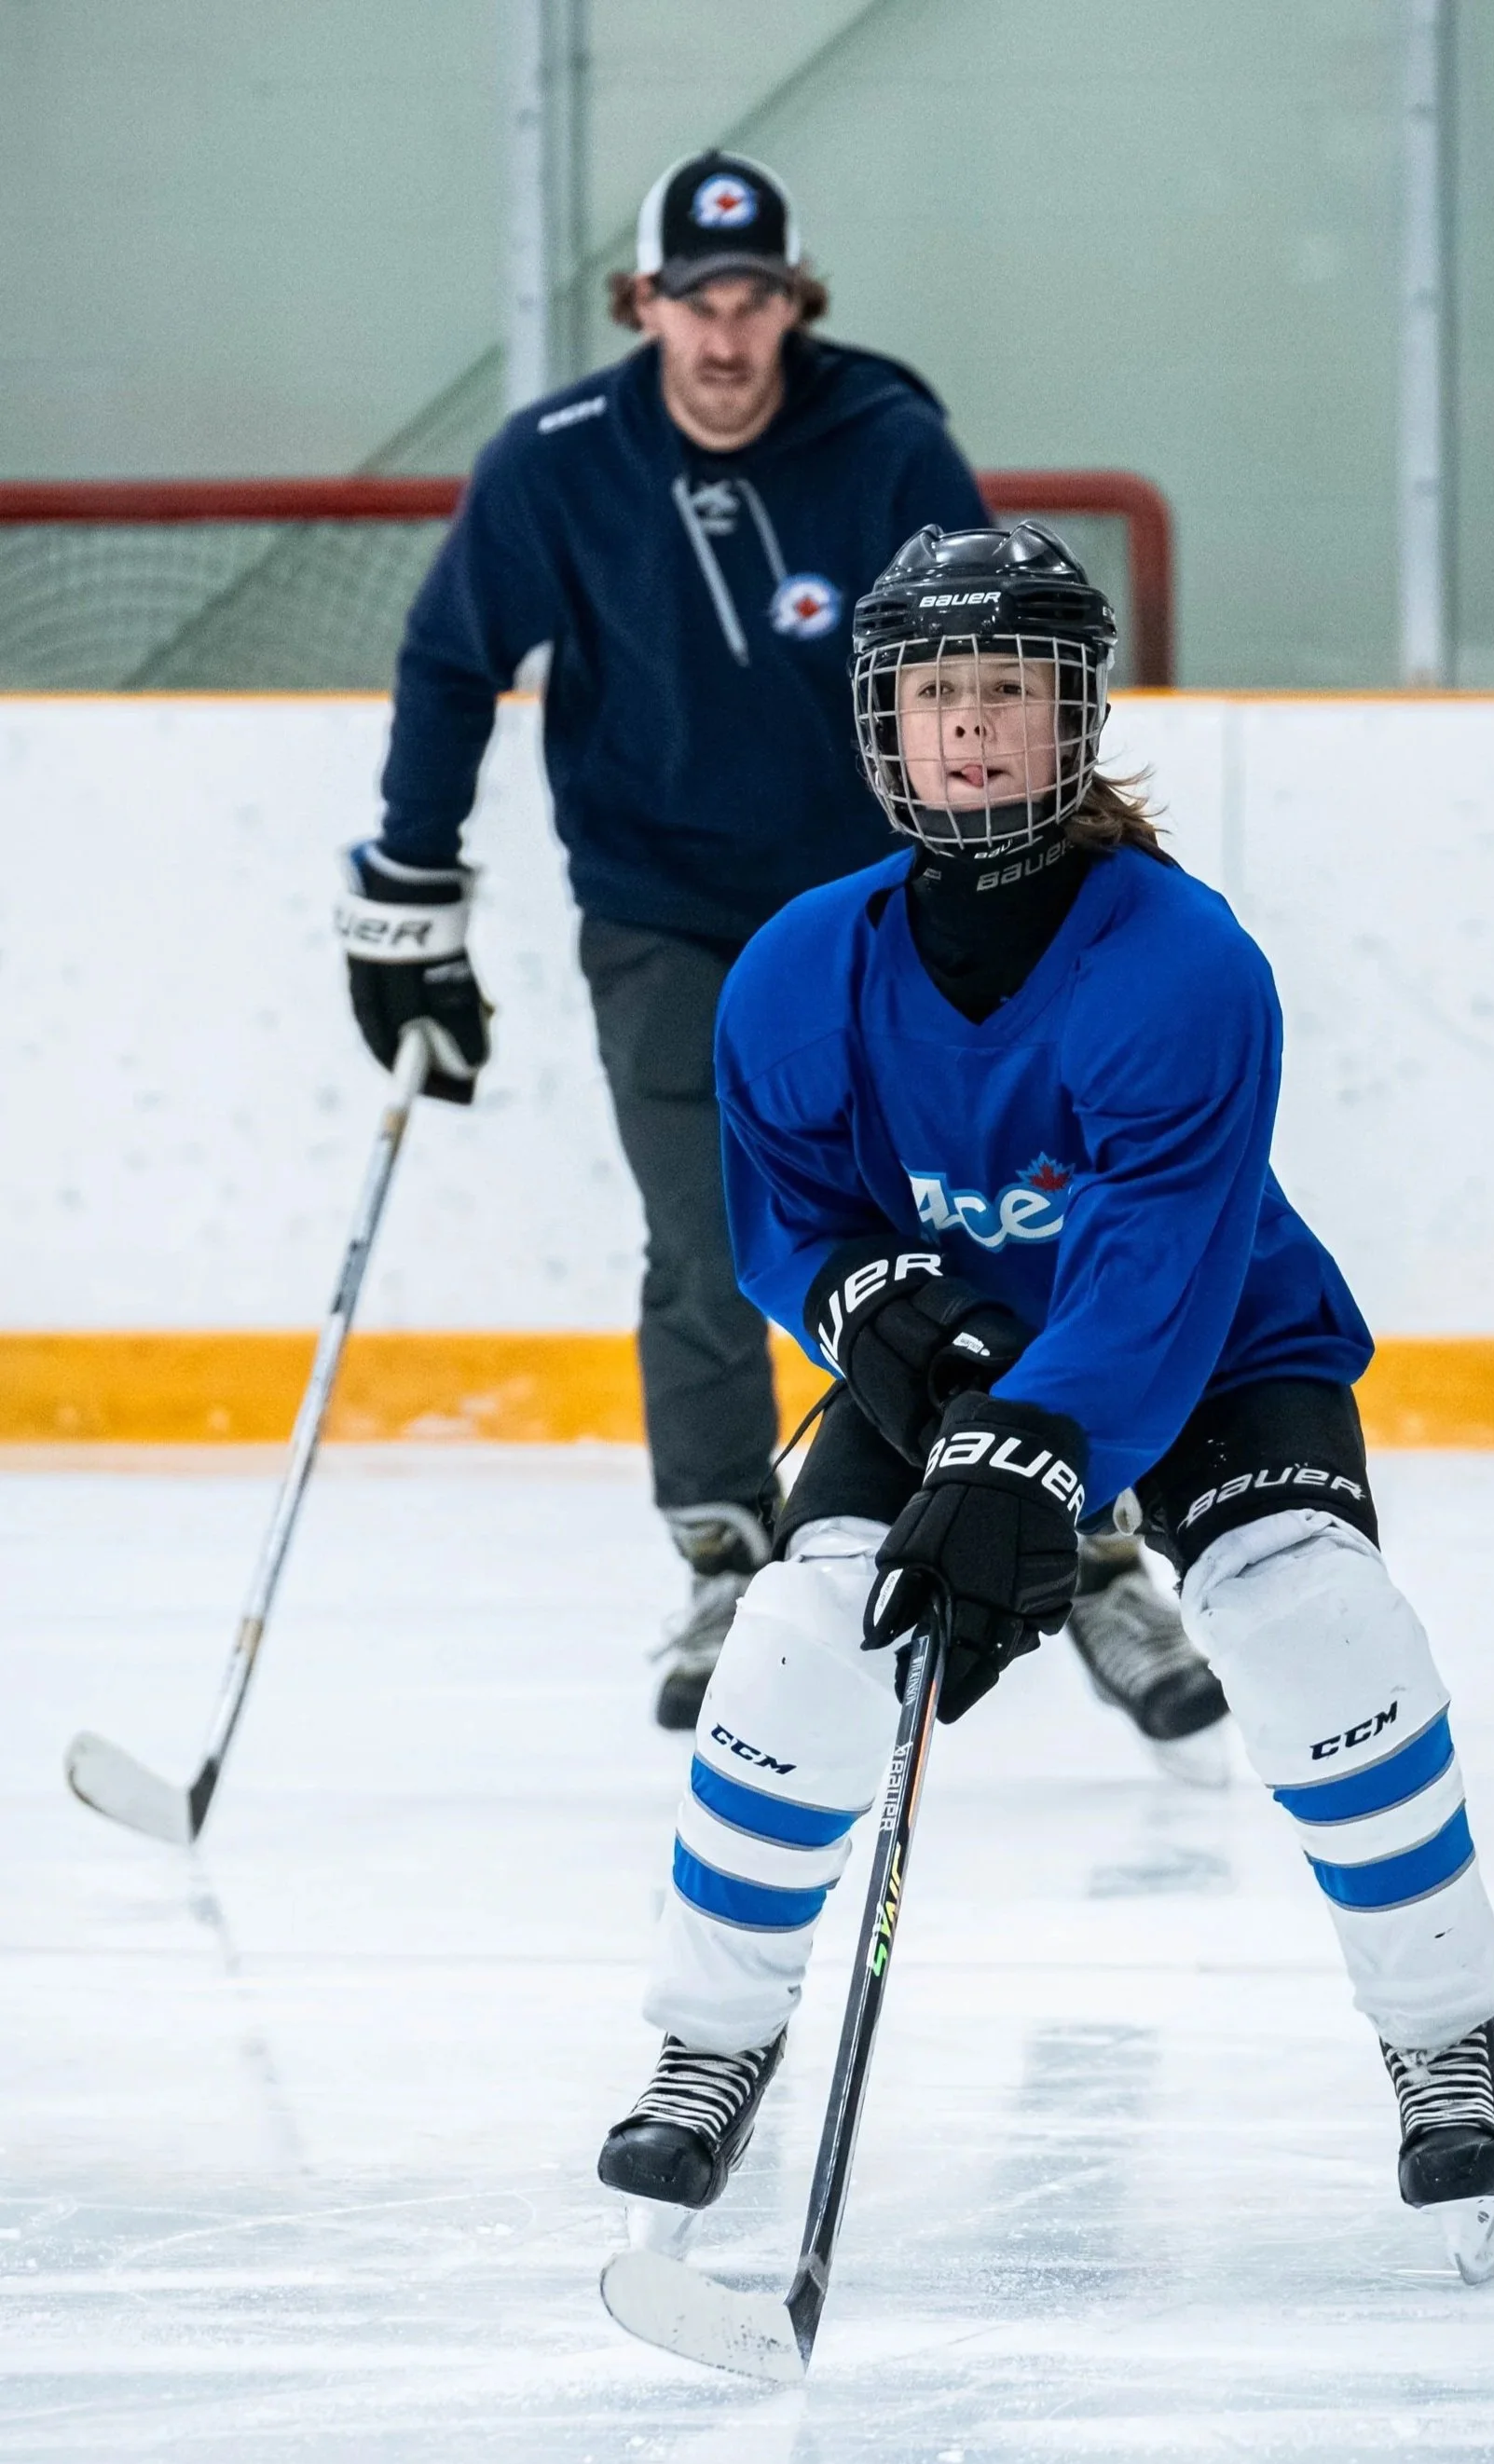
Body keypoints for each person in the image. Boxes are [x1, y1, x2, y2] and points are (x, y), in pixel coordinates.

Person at [596, 523, 1494, 2279]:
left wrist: (1032, 1451)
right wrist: (886, 1315)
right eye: (936, 689)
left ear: (1073, 712)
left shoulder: (1181, 963)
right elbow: (788, 1223)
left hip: (1214, 1344)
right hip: (958, 1358)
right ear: (882, 719)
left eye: (1009, 690)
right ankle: (708, 2041)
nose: (971, 726)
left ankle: (1441, 2033)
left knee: (1313, 1617)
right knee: (803, 1640)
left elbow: (1160, 1269)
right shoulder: (799, 966)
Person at [335, 146, 1222, 1753]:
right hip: (662, 916)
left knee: (1001, 1215)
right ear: (645, 305)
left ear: (792, 304)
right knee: (710, 1236)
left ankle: (1082, 1532)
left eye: (753, 302)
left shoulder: (882, 438)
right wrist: (410, 879)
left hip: (887, 917)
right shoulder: (557, 464)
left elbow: (995, 667)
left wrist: (1054, 868)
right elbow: (452, 656)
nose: (727, 337)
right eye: (695, 302)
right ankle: (729, 1551)